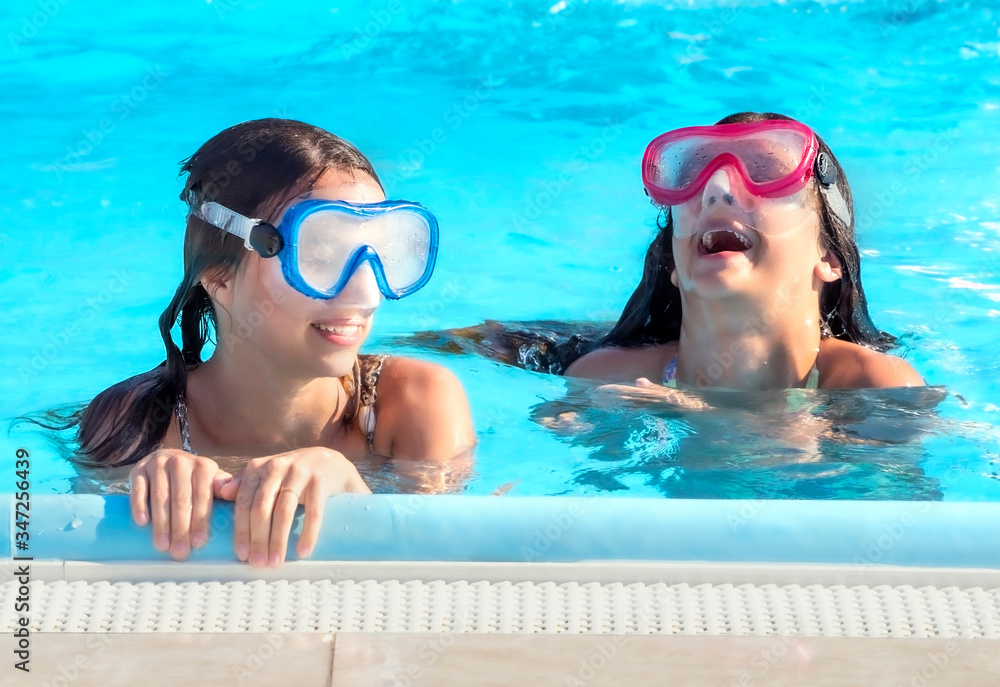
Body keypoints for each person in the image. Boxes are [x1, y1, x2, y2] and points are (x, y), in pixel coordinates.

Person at [72, 118, 476, 567]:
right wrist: (139, 493)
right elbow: (71, 565)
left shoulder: (414, 402)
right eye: (318, 256)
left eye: (382, 252)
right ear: (219, 275)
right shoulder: (137, 424)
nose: (366, 295)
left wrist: (354, 494)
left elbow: (448, 573)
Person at [565, 112, 925, 391]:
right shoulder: (600, 379)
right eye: (692, 175)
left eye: (765, 172)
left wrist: (693, 414)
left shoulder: (876, 386)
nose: (716, 191)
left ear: (829, 257)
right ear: (672, 262)